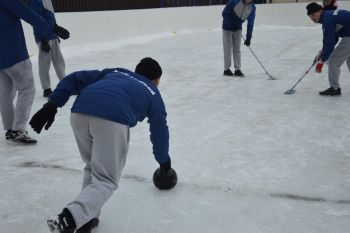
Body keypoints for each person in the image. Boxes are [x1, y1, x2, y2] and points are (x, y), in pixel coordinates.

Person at [29, 58, 176, 233]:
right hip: (112, 120)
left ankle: (86, 219)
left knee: (92, 166)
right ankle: (69, 219)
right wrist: (164, 162)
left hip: (79, 113)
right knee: (106, 180)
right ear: (157, 80)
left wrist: (52, 105)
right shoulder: (153, 92)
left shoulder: (115, 72)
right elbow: (160, 132)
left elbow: (75, 78)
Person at [0, 0, 70, 144]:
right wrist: (53, 28)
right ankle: (18, 130)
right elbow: (28, 14)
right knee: (27, 89)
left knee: (6, 94)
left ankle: (10, 129)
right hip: (14, 53)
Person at [307, 2, 350, 96]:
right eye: (310, 16)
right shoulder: (329, 17)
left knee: (333, 61)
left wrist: (321, 61)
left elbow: (330, 45)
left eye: (314, 15)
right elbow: (332, 39)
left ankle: (334, 88)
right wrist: (321, 53)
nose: (312, 18)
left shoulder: (327, 20)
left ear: (320, 11)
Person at [27, 0, 67, 98]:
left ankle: (65, 83)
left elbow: (51, 18)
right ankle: (46, 88)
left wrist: (56, 34)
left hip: (52, 35)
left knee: (59, 61)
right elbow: (35, 20)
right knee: (44, 63)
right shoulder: (35, 1)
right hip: (44, 37)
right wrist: (43, 39)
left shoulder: (47, 0)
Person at [222, 0, 256, 77]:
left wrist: (248, 37)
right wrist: (230, 24)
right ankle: (226, 69)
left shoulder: (252, 7)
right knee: (227, 48)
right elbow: (224, 13)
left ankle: (237, 69)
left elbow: (251, 23)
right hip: (227, 27)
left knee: (237, 49)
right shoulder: (234, 1)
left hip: (238, 28)